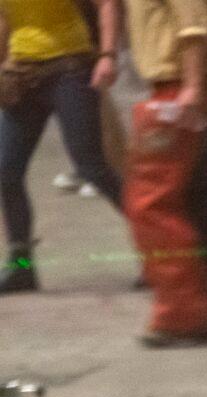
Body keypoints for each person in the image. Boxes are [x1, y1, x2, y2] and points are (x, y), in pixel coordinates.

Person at [123, 0, 207, 346]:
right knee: (198, 196)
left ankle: (186, 313)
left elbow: (194, 23)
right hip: (179, 86)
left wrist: (192, 87)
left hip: (178, 89)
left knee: (152, 204)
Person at [0, 0, 123, 294]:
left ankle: (156, 248)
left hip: (70, 68)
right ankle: (21, 268)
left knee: (92, 167)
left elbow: (107, 4)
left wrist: (107, 55)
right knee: (5, 169)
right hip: (23, 71)